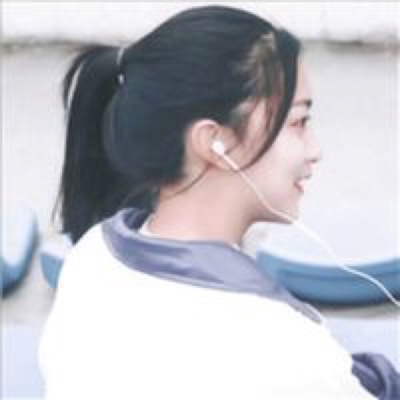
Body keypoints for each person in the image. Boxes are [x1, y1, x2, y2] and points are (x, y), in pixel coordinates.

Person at [38, 5, 399, 399]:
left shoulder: (90, 258)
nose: (315, 151)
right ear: (215, 142)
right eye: (298, 123)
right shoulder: (282, 348)